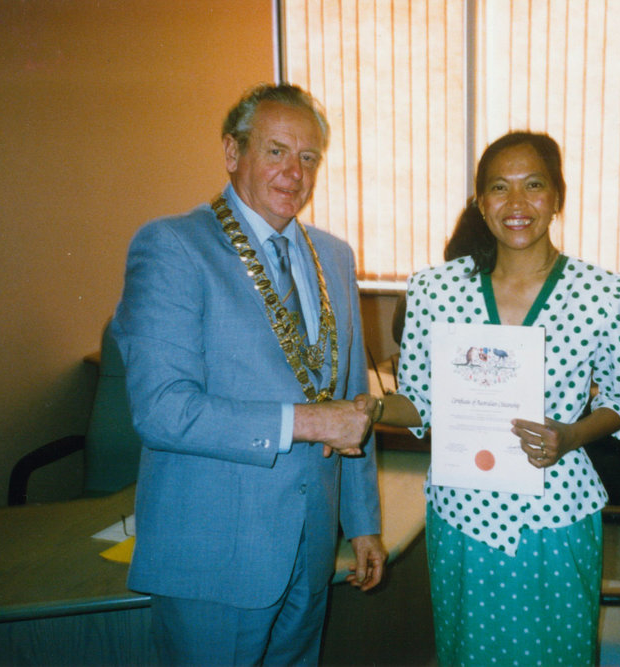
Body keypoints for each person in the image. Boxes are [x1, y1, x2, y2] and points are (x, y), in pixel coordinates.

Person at [112, 83, 386, 666]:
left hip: (312, 545)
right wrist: (311, 423)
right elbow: (163, 410)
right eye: (276, 151)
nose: (295, 172)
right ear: (233, 153)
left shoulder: (333, 255)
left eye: (308, 157)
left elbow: (352, 399)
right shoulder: (173, 247)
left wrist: (362, 523)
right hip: (216, 554)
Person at [361, 131, 620, 666]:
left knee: (556, 655)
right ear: (480, 202)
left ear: (557, 197)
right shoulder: (434, 290)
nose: (516, 204)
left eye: (533, 186)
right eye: (499, 188)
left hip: (557, 515)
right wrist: (370, 408)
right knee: (468, 653)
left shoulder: (609, 295)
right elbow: (418, 402)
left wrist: (572, 435)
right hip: (462, 513)